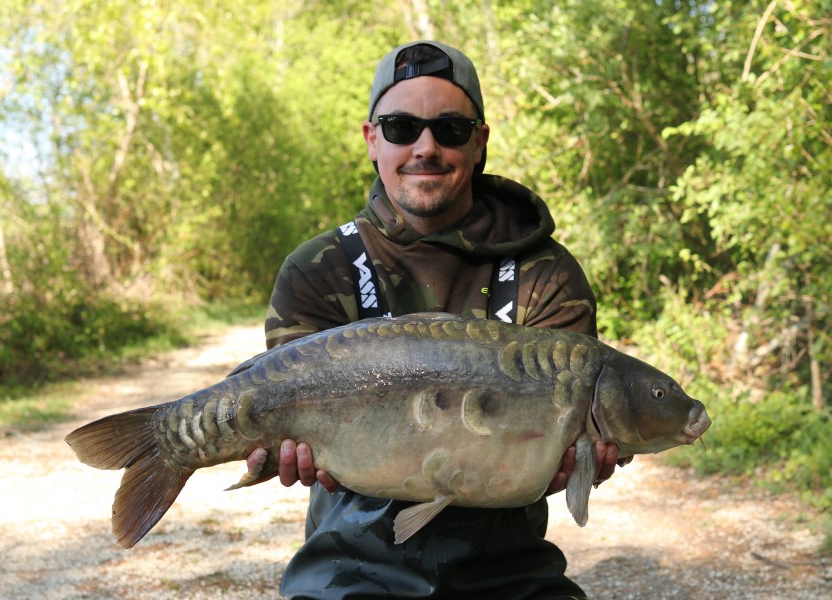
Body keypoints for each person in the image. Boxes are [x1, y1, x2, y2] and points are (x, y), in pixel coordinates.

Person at [249, 40, 628, 600]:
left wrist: (579, 458)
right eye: (402, 127)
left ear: (479, 142)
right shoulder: (318, 268)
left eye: (450, 129)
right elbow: (293, 427)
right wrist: (287, 449)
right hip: (350, 568)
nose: (426, 146)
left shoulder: (545, 271)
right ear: (372, 138)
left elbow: (567, 443)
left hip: (511, 572)